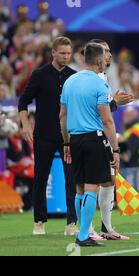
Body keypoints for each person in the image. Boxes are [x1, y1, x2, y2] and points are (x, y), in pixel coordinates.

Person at [60, 42, 120, 247]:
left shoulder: (69, 81)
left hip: (74, 139)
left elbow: (63, 116)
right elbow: (107, 120)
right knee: (91, 188)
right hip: (94, 139)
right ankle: (84, 235)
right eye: (104, 57)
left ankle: (82, 231)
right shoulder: (99, 84)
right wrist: (115, 148)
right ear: (97, 59)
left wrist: (66, 143)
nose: (106, 61)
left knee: (79, 188)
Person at [18, 36, 78, 236]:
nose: (66, 56)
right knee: (41, 178)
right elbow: (23, 102)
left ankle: (71, 223)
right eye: (62, 53)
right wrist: (25, 124)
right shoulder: (39, 75)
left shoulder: (75, 76)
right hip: (43, 134)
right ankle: (39, 222)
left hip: (67, 136)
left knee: (71, 178)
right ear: (53, 53)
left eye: (68, 53)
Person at [85, 39, 133, 241]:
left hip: (102, 134)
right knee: (90, 183)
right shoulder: (90, 78)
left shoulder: (102, 77)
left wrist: (113, 103)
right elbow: (97, 112)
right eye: (105, 51)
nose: (109, 55)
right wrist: (114, 103)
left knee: (109, 180)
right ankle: (84, 229)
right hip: (91, 134)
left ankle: (106, 227)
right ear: (96, 55)